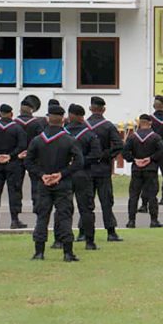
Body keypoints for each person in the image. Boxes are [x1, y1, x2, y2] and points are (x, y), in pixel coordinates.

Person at [25, 104, 84, 262]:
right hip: (62, 183)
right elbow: (79, 162)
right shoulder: (69, 140)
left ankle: (39, 252)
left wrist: (42, 175)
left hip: (43, 183)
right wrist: (62, 174)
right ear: (63, 120)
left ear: (47, 119)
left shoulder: (37, 140)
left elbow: (28, 162)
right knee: (64, 217)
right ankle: (67, 252)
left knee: (42, 217)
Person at [86, 96, 124, 242]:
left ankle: (83, 232)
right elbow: (118, 145)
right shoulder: (108, 126)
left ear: (90, 108)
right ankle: (111, 232)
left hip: (87, 169)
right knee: (106, 202)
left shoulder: (84, 126)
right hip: (103, 168)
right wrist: (106, 155)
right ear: (103, 109)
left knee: (86, 202)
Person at [64, 104, 102, 251]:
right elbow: (96, 155)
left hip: (65, 174)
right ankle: (89, 241)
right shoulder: (89, 134)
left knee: (63, 209)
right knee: (86, 209)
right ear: (81, 117)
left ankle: (60, 240)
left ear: (70, 115)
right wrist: (80, 162)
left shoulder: (62, 134)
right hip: (83, 173)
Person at [123, 115, 163, 229]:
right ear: (150, 123)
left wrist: (134, 159)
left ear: (139, 123)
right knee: (152, 196)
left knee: (134, 195)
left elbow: (124, 152)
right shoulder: (155, 137)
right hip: (150, 169)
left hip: (136, 169)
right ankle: (154, 220)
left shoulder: (132, 137)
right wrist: (151, 158)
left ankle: (131, 221)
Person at [15, 96, 47, 213]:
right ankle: (36, 206)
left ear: (20, 110)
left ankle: (16, 209)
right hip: (34, 157)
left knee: (16, 184)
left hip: (18, 157)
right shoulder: (37, 123)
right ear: (31, 110)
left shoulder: (14, 123)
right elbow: (42, 140)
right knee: (35, 183)